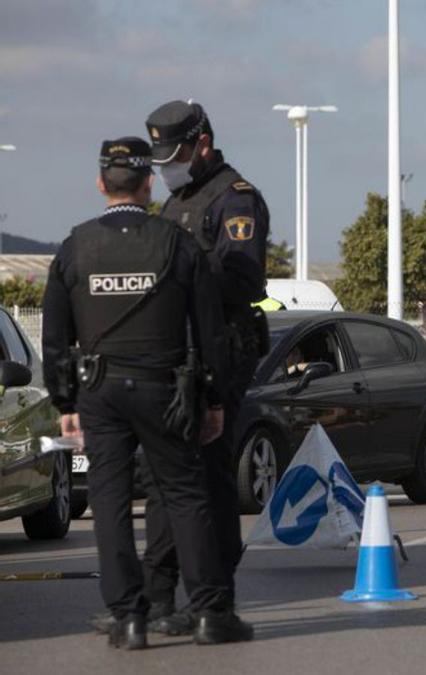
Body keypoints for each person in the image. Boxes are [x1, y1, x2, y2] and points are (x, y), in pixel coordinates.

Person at [42, 138, 253, 648]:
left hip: (100, 389)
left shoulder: (75, 247)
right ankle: (209, 613)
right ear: (148, 182)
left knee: (110, 502)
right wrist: (215, 399)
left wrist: (65, 403)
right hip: (166, 388)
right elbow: (208, 332)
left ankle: (129, 618)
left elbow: (54, 337)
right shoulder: (176, 243)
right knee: (185, 495)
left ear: (100, 184)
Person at [139, 99, 271, 634]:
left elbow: (242, 278)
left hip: (222, 350)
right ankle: (161, 596)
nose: (166, 168)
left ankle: (214, 598)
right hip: (175, 355)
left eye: (174, 156)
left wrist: (182, 277)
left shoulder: (235, 199)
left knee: (211, 478)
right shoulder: (175, 203)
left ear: (203, 145)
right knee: (164, 478)